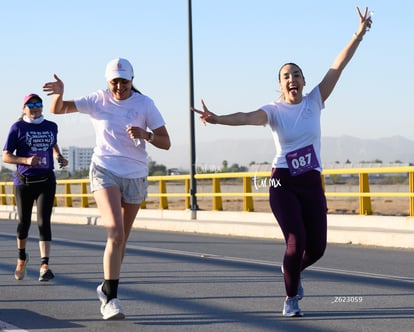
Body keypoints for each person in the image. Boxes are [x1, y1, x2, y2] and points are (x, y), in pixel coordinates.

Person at [192, 7, 372, 317]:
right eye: (286, 75)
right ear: (280, 85)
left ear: (304, 81)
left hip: (311, 181)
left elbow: (338, 66)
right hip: (282, 181)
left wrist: (358, 34)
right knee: (295, 238)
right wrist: (218, 119)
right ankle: (291, 299)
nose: (292, 78)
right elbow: (247, 117)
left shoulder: (315, 101)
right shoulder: (274, 111)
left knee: (316, 248)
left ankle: (292, 270)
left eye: (297, 74)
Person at [42, 57, 171, 320]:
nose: (119, 86)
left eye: (124, 81)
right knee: (114, 231)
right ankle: (111, 298)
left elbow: (166, 142)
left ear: (132, 80)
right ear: (107, 81)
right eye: (115, 81)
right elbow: (58, 109)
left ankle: (105, 285)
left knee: (121, 239)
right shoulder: (98, 99)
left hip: (135, 174)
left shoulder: (145, 104)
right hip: (105, 169)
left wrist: (146, 135)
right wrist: (59, 94)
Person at [2, 93, 68, 282]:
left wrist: (59, 157)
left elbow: (52, 143)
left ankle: (44, 265)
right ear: (24, 109)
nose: (35, 107)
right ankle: (22, 257)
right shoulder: (17, 128)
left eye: (38, 104)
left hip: (46, 181)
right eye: (30, 105)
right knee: (24, 224)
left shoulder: (51, 126)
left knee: (43, 222)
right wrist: (26, 160)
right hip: (24, 182)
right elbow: (6, 156)